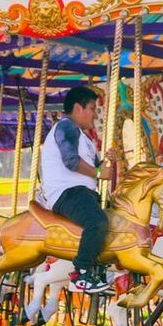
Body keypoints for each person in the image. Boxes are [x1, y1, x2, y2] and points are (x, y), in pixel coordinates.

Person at [40, 86, 119, 293]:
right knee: (97, 221)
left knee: (117, 218)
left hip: (83, 192)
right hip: (68, 192)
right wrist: (99, 172)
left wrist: (105, 163)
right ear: (78, 108)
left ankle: (100, 272)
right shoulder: (66, 128)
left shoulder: (85, 138)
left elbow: (94, 168)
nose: (95, 114)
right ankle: (81, 274)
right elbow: (71, 161)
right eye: (92, 108)